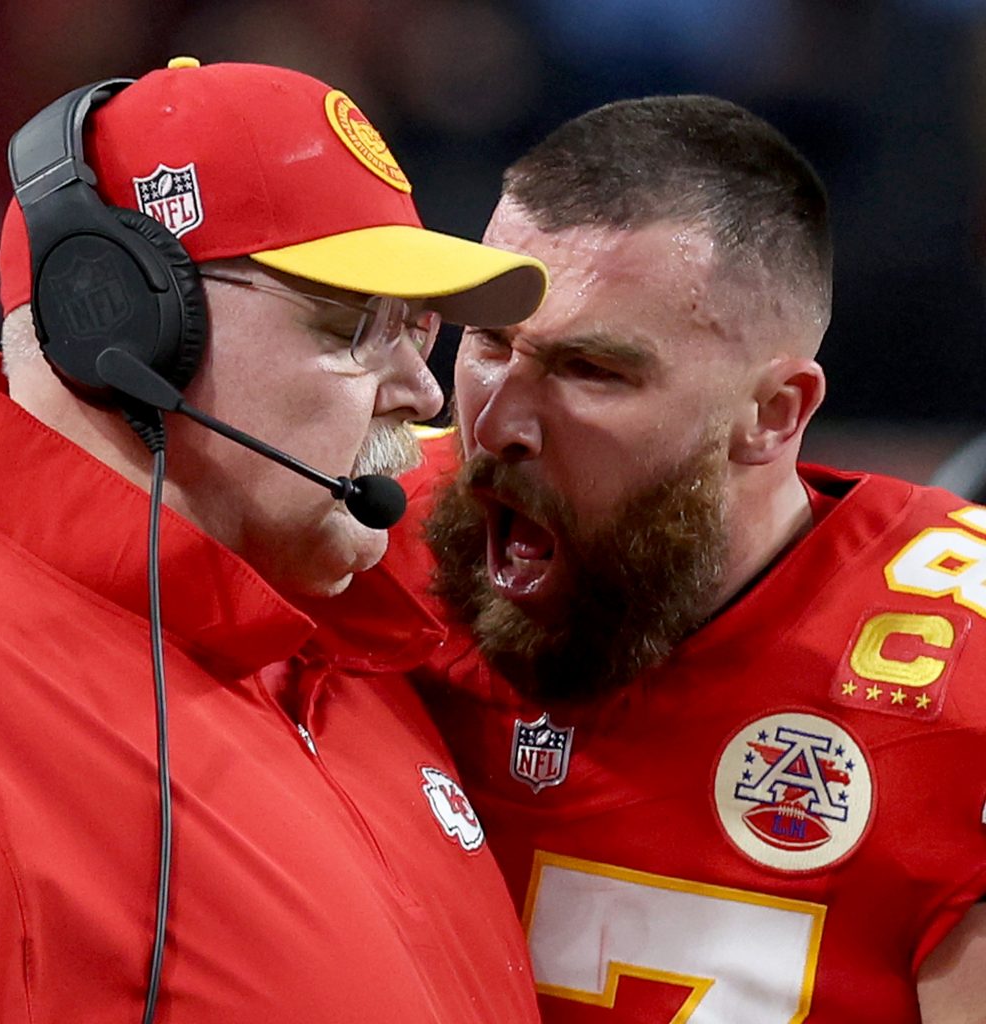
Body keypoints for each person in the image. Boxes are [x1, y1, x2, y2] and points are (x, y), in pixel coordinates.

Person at [370, 95, 986, 1022]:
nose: (495, 425)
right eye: (490, 343)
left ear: (774, 412)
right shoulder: (346, 548)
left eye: (591, 371)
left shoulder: (958, 688)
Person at [0, 57, 550, 1023]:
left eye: (420, 328)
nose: (426, 391)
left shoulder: (339, 631)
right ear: (121, 327)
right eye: (358, 326)